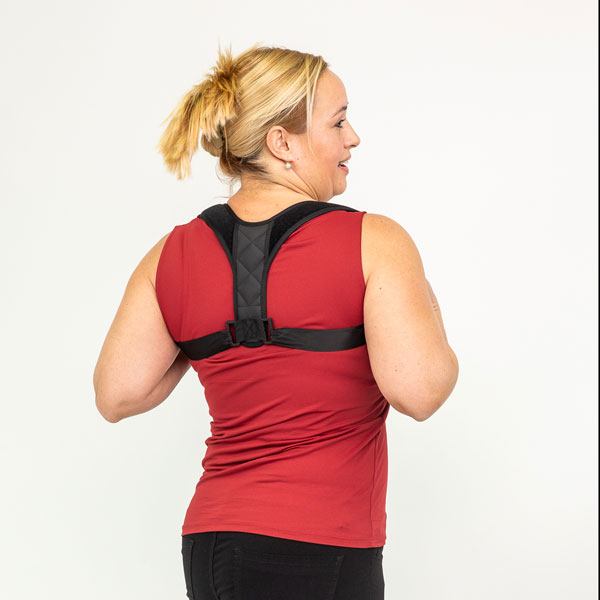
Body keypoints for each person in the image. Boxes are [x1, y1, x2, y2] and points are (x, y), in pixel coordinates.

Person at [93, 42, 459, 600]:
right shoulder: (374, 241)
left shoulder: (170, 254)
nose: (353, 138)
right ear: (282, 143)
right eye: (338, 122)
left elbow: (117, 395)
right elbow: (421, 391)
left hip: (211, 543)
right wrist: (425, 300)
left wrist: (206, 339)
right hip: (322, 545)